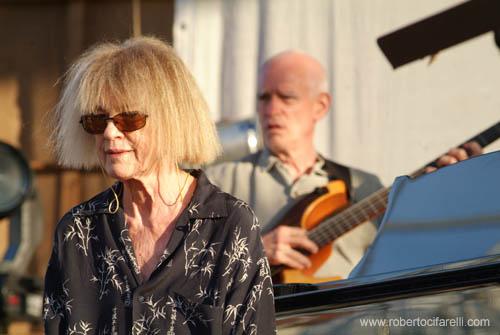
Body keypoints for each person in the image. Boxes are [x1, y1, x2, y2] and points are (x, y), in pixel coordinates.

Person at [43, 36, 275, 335]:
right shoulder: (77, 232)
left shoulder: (230, 224)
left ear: (171, 120)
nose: (110, 132)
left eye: (128, 118)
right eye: (98, 120)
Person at [206, 50, 482, 280]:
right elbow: (179, 267)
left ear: (321, 106)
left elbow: (414, 254)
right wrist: (252, 251)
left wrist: (447, 188)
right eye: (264, 98)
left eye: (287, 96)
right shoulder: (218, 182)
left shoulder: (364, 186)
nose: (271, 109)